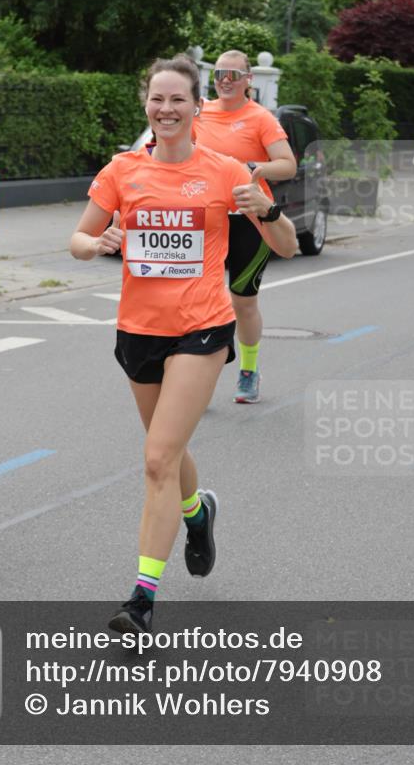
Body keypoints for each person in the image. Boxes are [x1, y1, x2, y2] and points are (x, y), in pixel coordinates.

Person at [70, 54, 297, 634]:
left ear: (198, 107)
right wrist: (97, 243)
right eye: (157, 99)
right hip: (137, 331)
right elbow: (76, 238)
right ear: (146, 104)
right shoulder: (121, 170)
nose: (166, 109)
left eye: (177, 100)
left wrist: (266, 208)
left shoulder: (225, 171)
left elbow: (288, 245)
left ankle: (141, 598)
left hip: (201, 329)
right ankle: (197, 513)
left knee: (155, 459)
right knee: (166, 451)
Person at [194, 49, 297, 404]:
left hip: (249, 219)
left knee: (243, 301)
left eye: (234, 74)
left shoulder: (260, 118)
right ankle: (194, 378)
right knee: (198, 299)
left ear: (248, 80)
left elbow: (287, 165)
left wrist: (251, 166)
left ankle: (249, 370)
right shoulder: (200, 112)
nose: (225, 79)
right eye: (220, 72)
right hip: (206, 219)